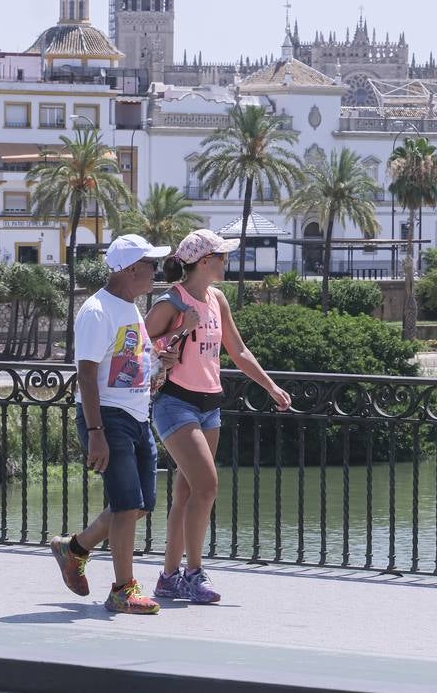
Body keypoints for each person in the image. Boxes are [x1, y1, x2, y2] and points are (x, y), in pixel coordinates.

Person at [145, 229, 291, 604]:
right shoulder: (171, 302)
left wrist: (271, 387)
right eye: (222, 257)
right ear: (205, 262)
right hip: (175, 402)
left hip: (210, 403)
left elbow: (238, 351)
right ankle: (194, 574)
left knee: (187, 492)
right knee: (207, 487)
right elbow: (138, 347)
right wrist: (180, 330)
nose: (227, 262)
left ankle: (167, 577)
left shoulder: (217, 299)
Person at [50, 233, 178, 615]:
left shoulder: (132, 308)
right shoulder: (97, 311)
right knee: (125, 506)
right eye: (150, 265)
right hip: (108, 417)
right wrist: (95, 433)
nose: (155, 272)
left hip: (138, 415)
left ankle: (73, 549)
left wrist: (160, 364)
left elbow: (134, 361)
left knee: (139, 505)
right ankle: (123, 589)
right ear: (130, 269)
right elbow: (86, 375)